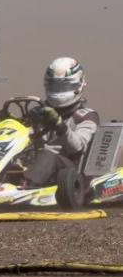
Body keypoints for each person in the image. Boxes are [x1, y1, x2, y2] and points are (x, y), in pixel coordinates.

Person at [22, 57, 99, 187]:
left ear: (78, 85)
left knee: (49, 155)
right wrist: (14, 125)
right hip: (37, 163)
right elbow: (26, 139)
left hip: (70, 172)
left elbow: (77, 146)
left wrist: (59, 125)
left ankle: (27, 186)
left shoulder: (86, 116)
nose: (59, 91)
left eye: (64, 86)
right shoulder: (39, 112)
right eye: (55, 86)